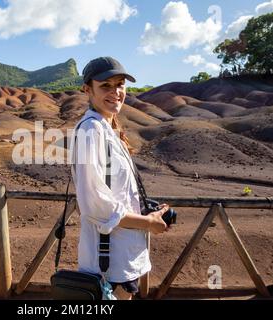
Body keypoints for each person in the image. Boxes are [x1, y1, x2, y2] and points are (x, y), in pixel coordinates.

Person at [70, 57, 171, 300]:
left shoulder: (107, 129)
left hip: (121, 254)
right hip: (109, 260)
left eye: (120, 84)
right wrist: (149, 223)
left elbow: (119, 193)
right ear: (87, 89)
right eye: (105, 85)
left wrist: (150, 213)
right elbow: (94, 203)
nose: (115, 92)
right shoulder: (91, 131)